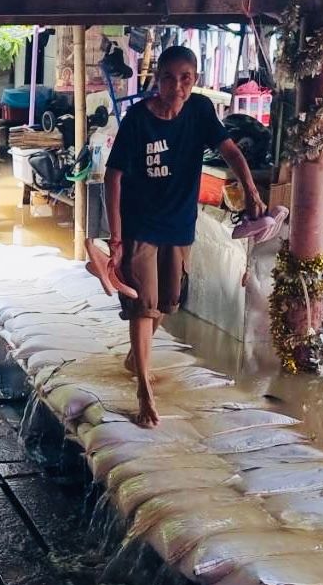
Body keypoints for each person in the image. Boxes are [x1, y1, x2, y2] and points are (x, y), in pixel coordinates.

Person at [93, 45, 264, 429]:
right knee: (145, 303)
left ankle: (133, 359)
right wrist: (117, 238)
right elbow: (113, 177)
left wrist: (251, 190)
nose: (177, 86)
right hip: (140, 222)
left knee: (170, 301)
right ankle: (143, 391)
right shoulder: (138, 119)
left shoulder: (201, 111)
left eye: (185, 78)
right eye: (169, 77)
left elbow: (232, 151)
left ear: (195, 80)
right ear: (157, 80)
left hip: (179, 221)